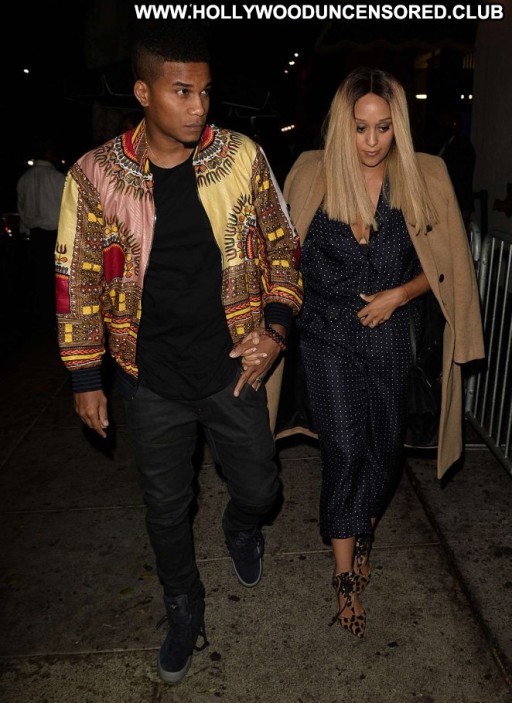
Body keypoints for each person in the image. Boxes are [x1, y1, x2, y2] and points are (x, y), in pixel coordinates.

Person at [55, 22, 302, 683]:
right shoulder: (96, 175)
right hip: (149, 378)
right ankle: (183, 604)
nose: (199, 106)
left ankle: (241, 525)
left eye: (206, 91)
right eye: (183, 91)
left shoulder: (242, 158)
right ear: (144, 93)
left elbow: (283, 247)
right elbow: (77, 277)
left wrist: (275, 330)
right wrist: (85, 375)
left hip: (231, 366)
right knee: (165, 509)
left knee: (261, 487)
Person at [283, 67, 484, 639]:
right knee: (344, 450)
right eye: (360, 128)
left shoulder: (425, 175)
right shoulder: (312, 174)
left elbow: (444, 264)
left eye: (383, 127)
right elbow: (280, 257)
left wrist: (400, 294)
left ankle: (364, 527)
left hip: (394, 334)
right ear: (341, 126)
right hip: (326, 334)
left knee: (386, 449)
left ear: (399, 126)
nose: (371, 141)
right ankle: (344, 575)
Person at [17, 142, 65, 330]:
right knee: (58, 280)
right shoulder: (57, 178)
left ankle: (43, 319)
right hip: (56, 236)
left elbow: (22, 210)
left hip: (36, 236)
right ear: (49, 153)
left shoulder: (24, 179)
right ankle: (56, 319)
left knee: (40, 279)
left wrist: (25, 231)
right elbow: (69, 209)